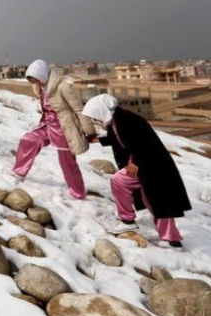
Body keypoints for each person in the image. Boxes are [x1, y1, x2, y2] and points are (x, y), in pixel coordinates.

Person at [82, 94, 191, 248]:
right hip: (144, 165)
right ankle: (171, 239)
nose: (95, 119)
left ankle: (131, 222)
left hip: (153, 166)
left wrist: (136, 163)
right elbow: (120, 138)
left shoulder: (129, 120)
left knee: (155, 200)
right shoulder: (116, 121)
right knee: (152, 200)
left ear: (102, 110)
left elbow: (146, 142)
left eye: (95, 115)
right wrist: (98, 140)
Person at [12, 59, 94, 199]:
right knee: (28, 140)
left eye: (35, 79)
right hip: (47, 124)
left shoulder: (63, 86)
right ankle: (19, 172)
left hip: (64, 127)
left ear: (42, 75)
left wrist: (89, 130)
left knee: (67, 161)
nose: (34, 83)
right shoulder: (38, 87)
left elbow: (78, 109)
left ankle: (78, 192)